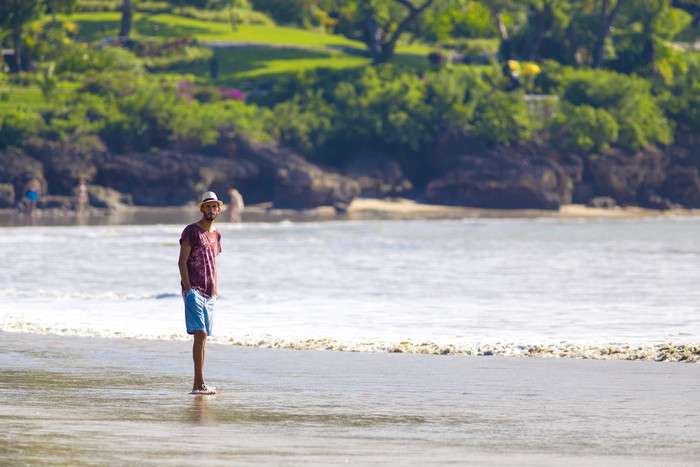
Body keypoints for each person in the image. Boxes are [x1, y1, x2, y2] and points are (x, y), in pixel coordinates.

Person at [178, 191, 223, 395]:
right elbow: (182, 262)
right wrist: (188, 290)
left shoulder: (217, 234)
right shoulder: (191, 231)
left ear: (218, 209)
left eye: (214, 206)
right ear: (202, 209)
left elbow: (212, 262)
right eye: (208, 206)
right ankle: (200, 383)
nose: (211, 209)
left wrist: (215, 289)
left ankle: (198, 385)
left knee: (203, 338)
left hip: (210, 293)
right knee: (201, 333)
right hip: (194, 290)